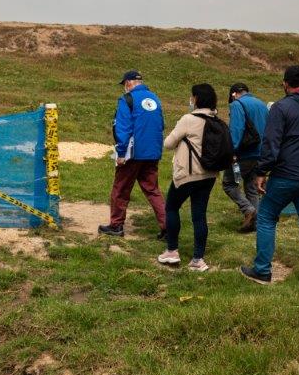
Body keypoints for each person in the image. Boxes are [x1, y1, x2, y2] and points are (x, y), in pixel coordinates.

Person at [240, 66, 299, 291]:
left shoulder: (281, 108)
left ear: (285, 83)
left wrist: (261, 172)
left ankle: (262, 269)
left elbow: (271, 144)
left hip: (285, 176)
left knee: (266, 217)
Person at [159, 84, 221, 272]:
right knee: (199, 215)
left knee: (171, 207)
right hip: (208, 174)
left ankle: (172, 251)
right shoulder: (215, 120)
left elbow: (168, 143)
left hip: (188, 173)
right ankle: (197, 259)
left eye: (192, 97)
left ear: (196, 99)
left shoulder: (188, 119)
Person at [99, 70, 167, 238]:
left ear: (128, 83)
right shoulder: (154, 98)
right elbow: (161, 125)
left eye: (124, 84)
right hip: (152, 153)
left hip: (133, 154)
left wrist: (121, 153)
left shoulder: (127, 99)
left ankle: (116, 226)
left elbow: (123, 128)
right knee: (153, 190)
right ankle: (168, 227)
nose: (124, 88)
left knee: (120, 189)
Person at [223, 82, 269, 232]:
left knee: (229, 184)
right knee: (252, 187)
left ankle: (248, 210)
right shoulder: (262, 104)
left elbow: (236, 130)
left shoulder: (237, 105)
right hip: (261, 154)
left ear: (233, 94)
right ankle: (255, 223)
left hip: (245, 153)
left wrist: (231, 151)